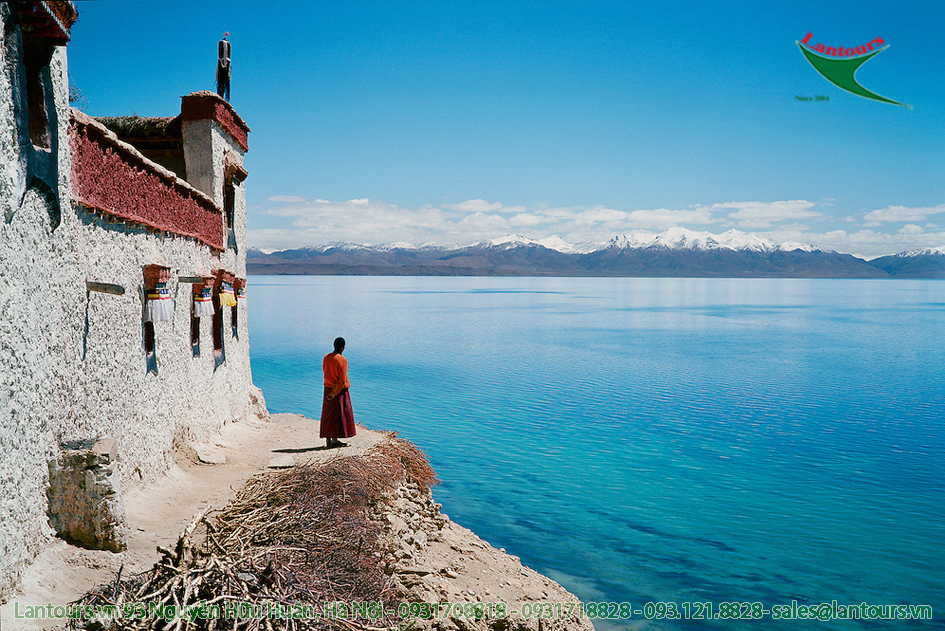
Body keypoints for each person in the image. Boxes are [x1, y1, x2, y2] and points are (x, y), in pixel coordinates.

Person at [320, 337, 356, 447]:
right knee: (339, 415)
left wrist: (330, 392)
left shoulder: (326, 357)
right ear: (343, 347)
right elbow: (342, 381)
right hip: (339, 391)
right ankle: (334, 441)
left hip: (327, 388)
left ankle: (328, 438)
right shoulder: (342, 360)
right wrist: (334, 393)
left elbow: (325, 371)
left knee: (328, 414)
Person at [216, 32, 231, 100]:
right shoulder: (221, 43)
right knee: (221, 83)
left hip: (226, 64)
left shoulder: (228, 44)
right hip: (221, 64)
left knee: (224, 84)